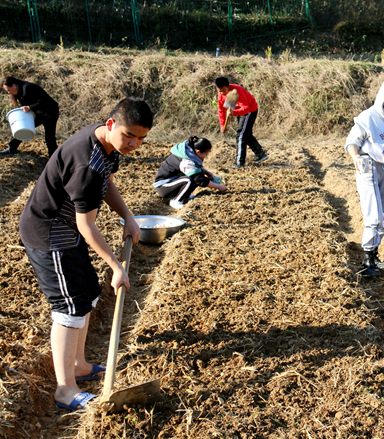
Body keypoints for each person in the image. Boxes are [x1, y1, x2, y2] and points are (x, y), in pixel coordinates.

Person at [19, 97, 153, 411]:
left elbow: (106, 185)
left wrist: (128, 216)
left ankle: (78, 365)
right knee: (68, 308)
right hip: (48, 233)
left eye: (141, 138)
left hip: (65, 228)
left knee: (87, 294)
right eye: (129, 135)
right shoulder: (87, 163)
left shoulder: (106, 145)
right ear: (111, 125)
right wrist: (116, 265)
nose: (134, 143)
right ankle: (65, 389)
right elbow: (87, 225)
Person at [345, 74, 384, 277]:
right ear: (383, 98)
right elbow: (352, 141)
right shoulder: (369, 117)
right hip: (369, 165)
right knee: (373, 214)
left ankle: (374, 252)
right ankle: (367, 260)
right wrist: (356, 157)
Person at [153, 135, 228, 209]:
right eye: (206, 154)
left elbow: (197, 168)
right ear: (198, 151)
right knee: (189, 180)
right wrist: (219, 187)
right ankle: (175, 201)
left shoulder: (191, 153)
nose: (206, 156)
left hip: (174, 181)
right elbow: (200, 180)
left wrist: (207, 173)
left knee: (195, 176)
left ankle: (184, 197)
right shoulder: (186, 161)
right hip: (164, 186)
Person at [214, 77, 269, 168]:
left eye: (224, 90)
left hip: (250, 110)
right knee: (246, 133)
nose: (222, 93)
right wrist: (223, 124)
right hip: (239, 111)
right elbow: (221, 110)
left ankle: (239, 163)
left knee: (241, 135)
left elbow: (246, 108)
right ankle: (260, 154)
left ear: (228, 86)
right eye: (220, 91)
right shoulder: (221, 94)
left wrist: (234, 113)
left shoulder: (237, 90)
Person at [1, 76, 60, 157]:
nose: (8, 92)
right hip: (38, 112)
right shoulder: (19, 91)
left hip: (50, 112)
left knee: (49, 137)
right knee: (22, 128)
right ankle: (12, 148)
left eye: (8, 90)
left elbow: (43, 101)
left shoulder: (28, 88)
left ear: (14, 85)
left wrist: (29, 108)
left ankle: (53, 158)